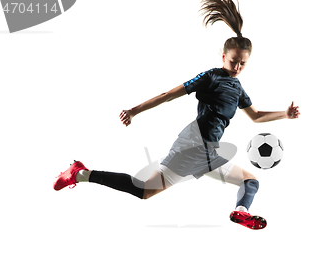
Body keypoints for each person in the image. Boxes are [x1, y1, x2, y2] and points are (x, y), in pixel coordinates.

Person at [53, 0, 300, 230]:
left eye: (243, 64)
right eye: (234, 61)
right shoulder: (210, 77)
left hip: (209, 150)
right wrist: (134, 110)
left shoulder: (237, 88)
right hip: (194, 145)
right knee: (144, 190)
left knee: (250, 181)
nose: (237, 68)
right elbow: (168, 94)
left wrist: (285, 115)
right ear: (223, 56)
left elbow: (255, 116)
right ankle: (80, 173)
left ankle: (240, 212)